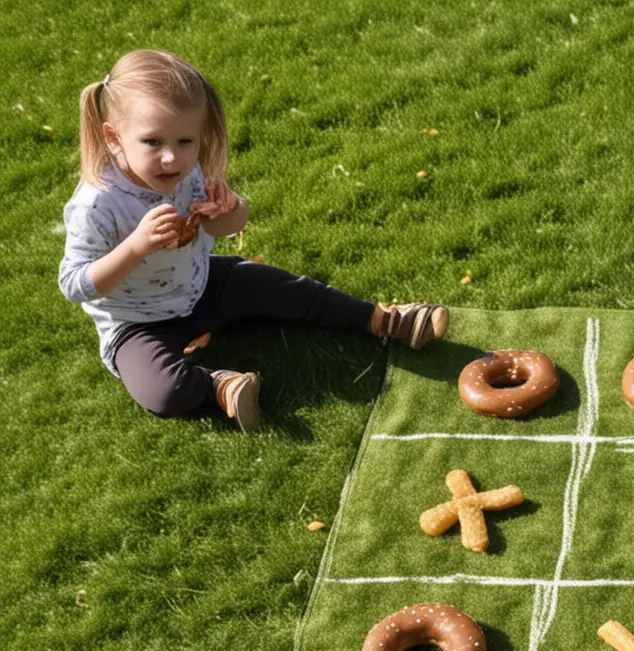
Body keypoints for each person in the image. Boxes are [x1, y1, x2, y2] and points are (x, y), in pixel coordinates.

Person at [59, 49, 447, 433]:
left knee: (288, 288)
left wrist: (229, 210)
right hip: (138, 323)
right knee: (163, 393)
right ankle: (220, 386)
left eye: (185, 141)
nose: (171, 158)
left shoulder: (186, 170)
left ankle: (383, 319)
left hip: (206, 284)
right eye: (152, 142)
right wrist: (135, 247)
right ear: (114, 137)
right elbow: (75, 284)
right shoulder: (98, 203)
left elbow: (222, 229)